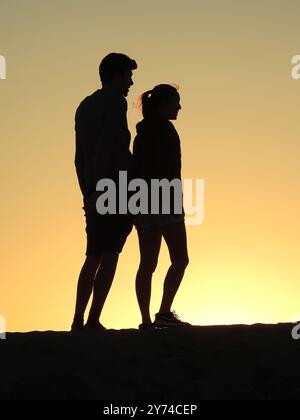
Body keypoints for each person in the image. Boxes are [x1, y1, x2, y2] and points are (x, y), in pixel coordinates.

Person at [71, 53, 137, 331]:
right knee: (110, 253)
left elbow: (79, 154)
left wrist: (87, 189)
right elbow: (112, 146)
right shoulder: (115, 103)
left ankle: (78, 319)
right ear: (116, 75)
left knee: (93, 254)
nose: (131, 82)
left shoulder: (84, 105)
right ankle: (94, 319)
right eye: (128, 75)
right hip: (112, 186)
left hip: (91, 187)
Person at [133, 84, 190, 330]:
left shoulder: (142, 131)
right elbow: (165, 169)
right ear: (163, 103)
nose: (179, 107)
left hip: (143, 201)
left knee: (147, 263)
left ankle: (146, 320)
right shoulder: (166, 130)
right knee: (180, 258)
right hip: (164, 200)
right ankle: (164, 312)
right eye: (175, 102)